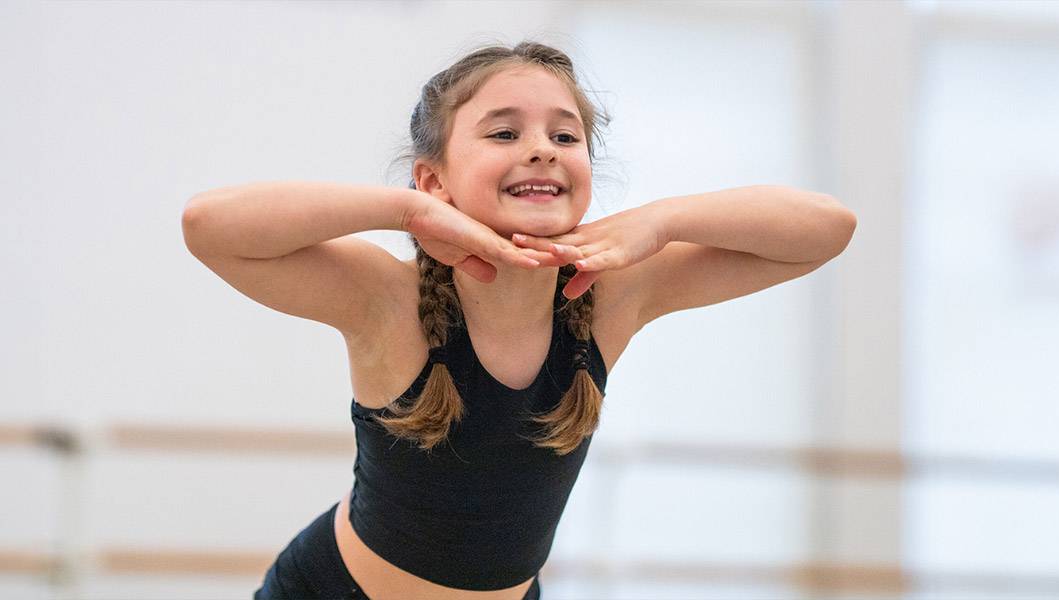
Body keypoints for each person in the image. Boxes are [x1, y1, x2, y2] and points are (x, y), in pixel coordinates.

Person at [182, 41, 856, 600]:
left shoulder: (610, 295)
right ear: (435, 179)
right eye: (504, 132)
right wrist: (407, 214)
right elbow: (210, 226)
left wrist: (663, 219)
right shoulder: (387, 300)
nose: (541, 149)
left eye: (565, 135)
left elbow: (827, 228)